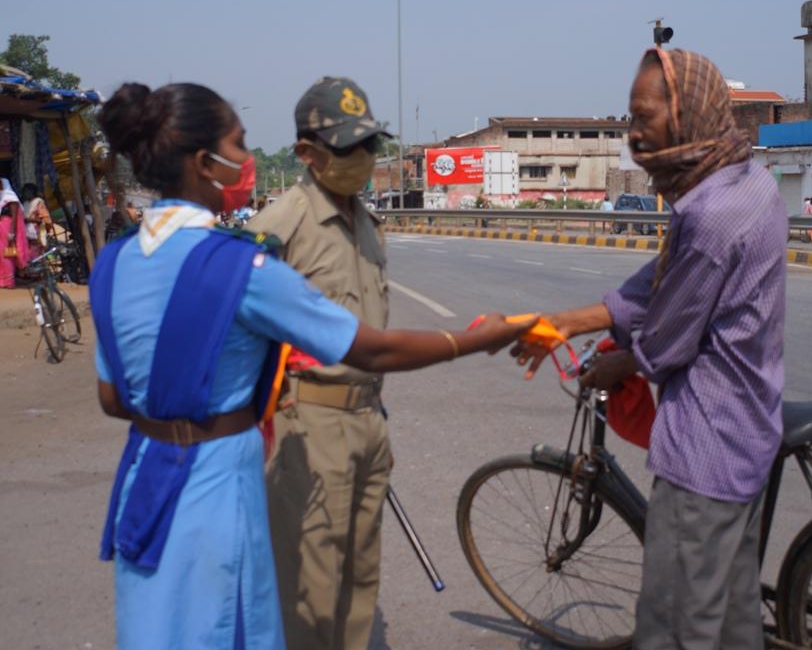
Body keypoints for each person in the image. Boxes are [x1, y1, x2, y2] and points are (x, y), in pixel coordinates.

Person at [92, 81, 532, 650]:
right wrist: (476, 339)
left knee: (161, 625)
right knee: (242, 617)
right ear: (205, 163)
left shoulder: (115, 259)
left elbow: (112, 399)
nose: (249, 159)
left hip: (146, 472)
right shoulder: (245, 263)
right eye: (240, 144)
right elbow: (368, 347)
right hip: (222, 477)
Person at [514, 48, 787, 650]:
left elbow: (664, 342)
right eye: (629, 118)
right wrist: (563, 321)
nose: (634, 133)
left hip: (707, 451)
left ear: (687, 112)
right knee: (733, 616)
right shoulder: (745, 181)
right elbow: (661, 281)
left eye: (643, 116)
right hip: (750, 432)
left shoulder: (711, 214)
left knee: (674, 625)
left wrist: (617, 362)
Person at [244, 77, 396, 649]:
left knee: (359, 581)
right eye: (348, 148)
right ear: (307, 154)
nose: (363, 160)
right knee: (309, 588)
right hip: (308, 423)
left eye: (370, 146)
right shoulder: (279, 229)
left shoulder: (366, 222)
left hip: (367, 421)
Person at [0, 178, 29, 288]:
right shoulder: (1, 197)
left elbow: (14, 216)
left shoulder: (10, 197)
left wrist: (12, 233)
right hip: (1, 227)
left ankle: (9, 282)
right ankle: (2, 281)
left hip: (7, 227)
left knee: (7, 254)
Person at [20, 182, 53, 259]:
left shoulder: (38, 202)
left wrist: (30, 220)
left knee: (38, 256)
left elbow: (45, 219)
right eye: (24, 191)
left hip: (37, 233)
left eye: (26, 191)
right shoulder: (25, 204)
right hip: (27, 234)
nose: (24, 193)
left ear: (32, 192)